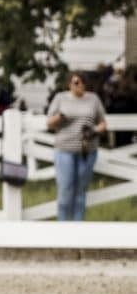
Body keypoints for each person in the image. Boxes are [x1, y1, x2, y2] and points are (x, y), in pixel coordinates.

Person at [46, 71, 107, 221]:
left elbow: (102, 123)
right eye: (76, 82)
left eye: (83, 82)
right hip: (65, 150)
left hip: (87, 150)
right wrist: (60, 116)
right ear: (69, 84)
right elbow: (49, 123)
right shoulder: (60, 98)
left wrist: (93, 131)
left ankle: (78, 227)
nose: (80, 85)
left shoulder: (93, 99)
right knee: (65, 190)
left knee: (80, 191)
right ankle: (63, 227)